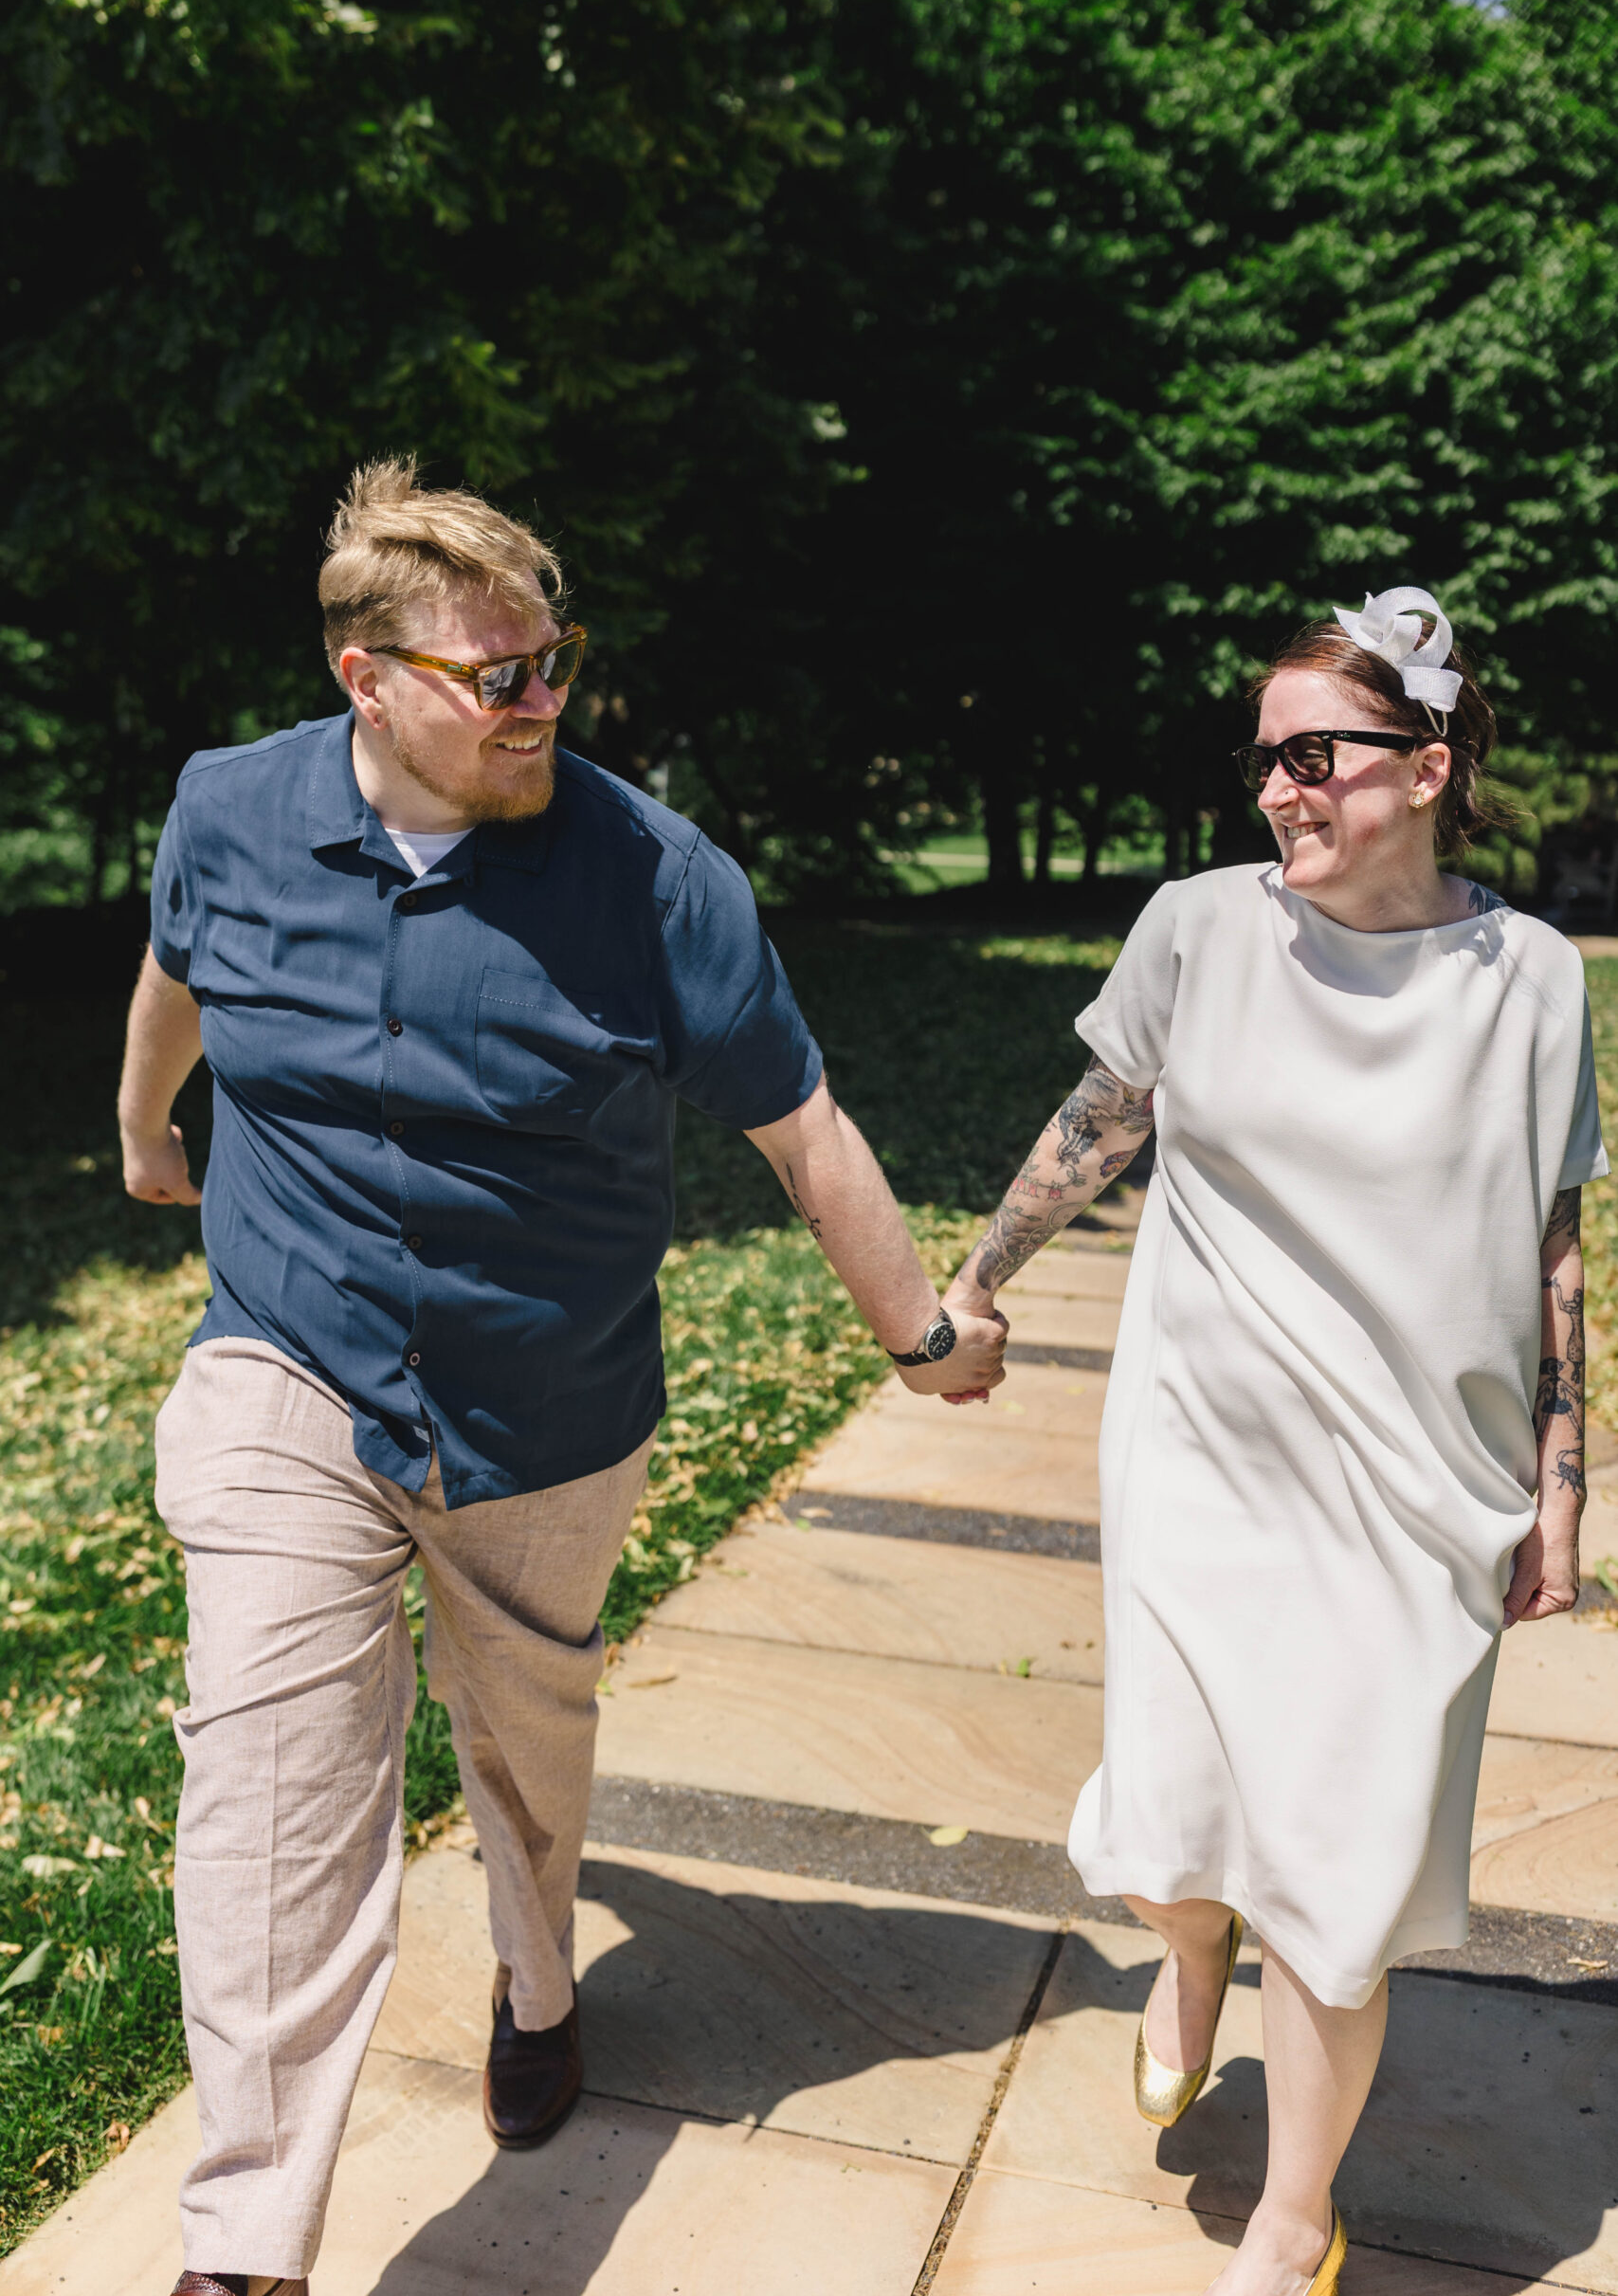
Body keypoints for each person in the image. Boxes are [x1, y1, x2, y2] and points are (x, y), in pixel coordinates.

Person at [118, 459, 1009, 2296]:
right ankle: (246, 2245)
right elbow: (173, 964)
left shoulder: (651, 875)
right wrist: (145, 1131)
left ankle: (540, 1977)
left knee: (526, 1741)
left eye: (552, 664)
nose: (538, 703)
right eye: (492, 674)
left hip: (543, 1408)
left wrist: (919, 1335)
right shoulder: (231, 806)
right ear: (367, 678)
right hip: (287, 1363)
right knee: (271, 1780)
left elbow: (803, 1128)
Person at [941, 588, 1606, 2296]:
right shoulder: (1198, 928)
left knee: (1348, 1855)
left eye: (1314, 755)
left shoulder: (1529, 977)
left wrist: (1565, 1485)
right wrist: (974, 1283)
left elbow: (1552, 1240)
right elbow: (1098, 1125)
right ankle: (1184, 1963)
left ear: (1430, 765)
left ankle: (1297, 2215)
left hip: (1415, 1491)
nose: (1279, 793)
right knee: (1182, 1810)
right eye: (1264, 764)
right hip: (1203, 1454)